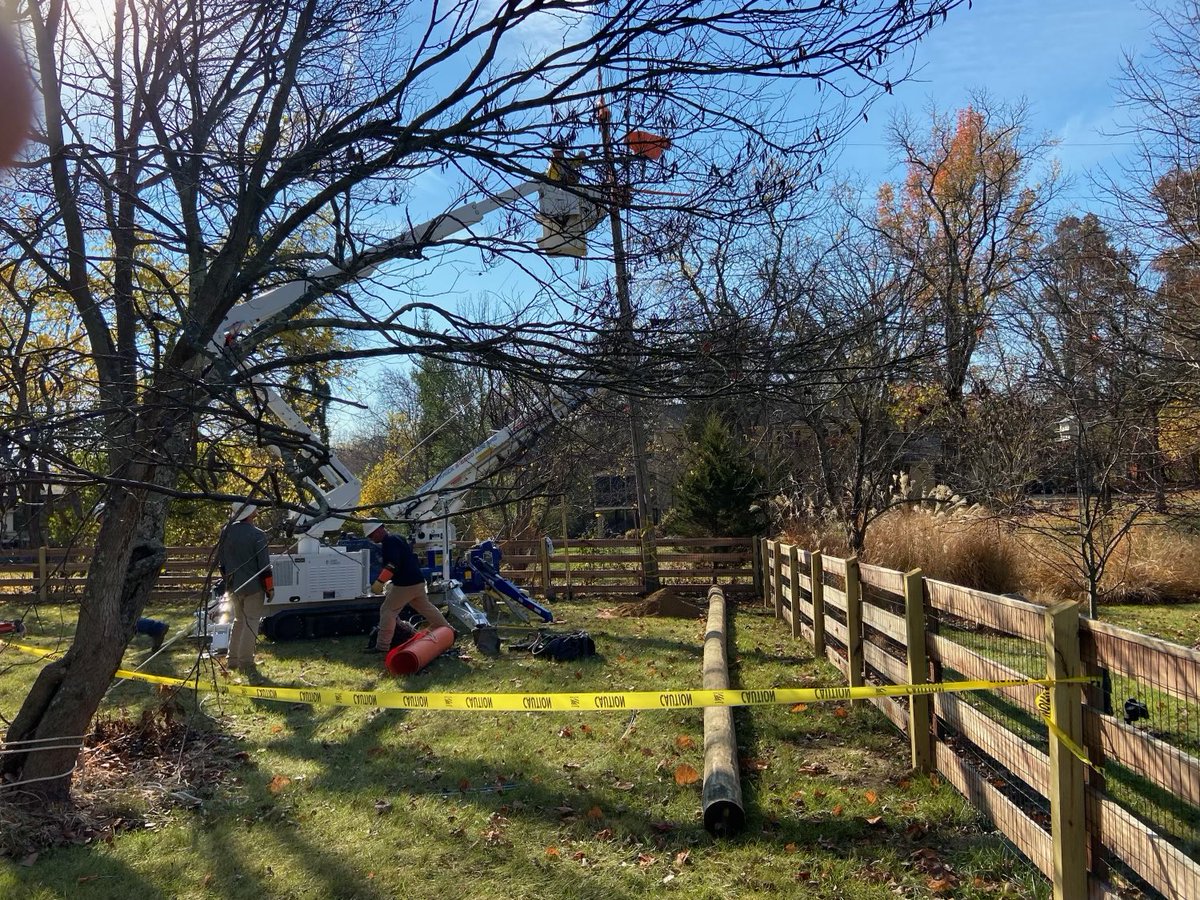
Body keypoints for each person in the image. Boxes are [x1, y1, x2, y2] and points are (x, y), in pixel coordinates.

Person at [363, 520, 450, 652]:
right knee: (426, 608)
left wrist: (379, 582)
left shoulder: (389, 542)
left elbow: (392, 565)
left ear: (379, 530)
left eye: (371, 535)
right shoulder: (398, 538)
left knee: (387, 611)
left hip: (405, 584)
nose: (371, 538)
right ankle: (448, 630)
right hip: (417, 580)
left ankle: (382, 646)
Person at [216, 502, 273, 675]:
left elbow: (222, 564)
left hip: (233, 585)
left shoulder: (225, 532)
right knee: (251, 622)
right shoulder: (257, 535)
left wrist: (228, 582)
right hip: (254, 587)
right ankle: (246, 661)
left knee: (239, 621)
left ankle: (232, 660)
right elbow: (264, 567)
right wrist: (269, 588)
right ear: (250, 513)